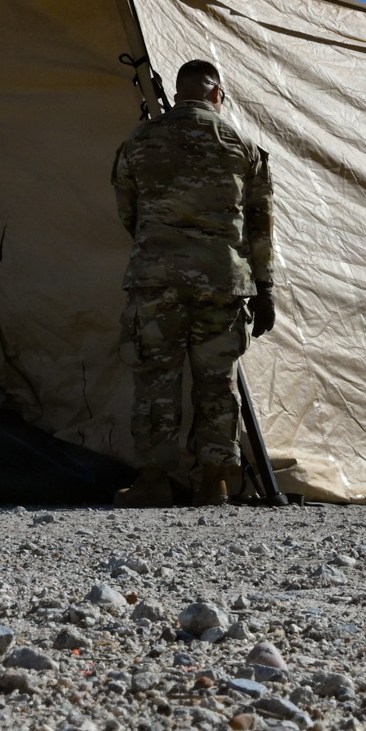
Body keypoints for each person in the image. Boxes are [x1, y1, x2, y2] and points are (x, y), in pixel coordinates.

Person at [111, 59, 275, 508]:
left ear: (180, 93)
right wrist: (266, 289)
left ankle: (153, 480)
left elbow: (129, 212)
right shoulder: (243, 146)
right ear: (216, 94)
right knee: (217, 382)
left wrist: (162, 249)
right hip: (223, 281)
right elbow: (260, 227)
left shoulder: (139, 141)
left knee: (155, 379)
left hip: (156, 279)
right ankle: (215, 481)